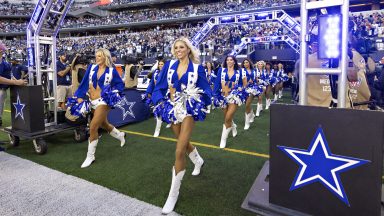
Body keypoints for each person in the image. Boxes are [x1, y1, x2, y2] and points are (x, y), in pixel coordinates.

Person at [151, 37, 212, 214]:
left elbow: (205, 88)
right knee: (182, 143)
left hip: (189, 109)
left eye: (182, 47)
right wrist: (160, 102)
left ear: (188, 49)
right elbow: (158, 88)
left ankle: (173, 194)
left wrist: (203, 100)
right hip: (172, 109)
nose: (178, 50)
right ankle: (198, 160)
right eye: (176, 47)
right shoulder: (169, 66)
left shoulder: (196, 68)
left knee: (178, 150)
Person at [72, 48, 126, 168]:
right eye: (96, 56)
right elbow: (84, 83)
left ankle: (90, 156)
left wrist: (114, 93)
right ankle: (120, 135)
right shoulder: (91, 68)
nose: (97, 58)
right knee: (104, 124)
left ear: (105, 57)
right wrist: (79, 96)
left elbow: (119, 85)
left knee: (93, 126)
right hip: (92, 100)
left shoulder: (112, 71)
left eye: (99, 56)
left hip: (104, 101)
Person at [213, 55, 247, 148]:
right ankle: (233, 126)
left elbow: (243, 84)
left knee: (227, 118)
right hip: (223, 96)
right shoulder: (221, 70)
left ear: (234, 62)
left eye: (231, 60)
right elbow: (217, 83)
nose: (229, 61)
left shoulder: (239, 71)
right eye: (227, 60)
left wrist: (239, 90)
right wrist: (215, 95)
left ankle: (223, 139)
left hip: (234, 96)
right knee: (227, 116)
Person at [0, 42, 27, 126]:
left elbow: (10, 75)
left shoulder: (4, 62)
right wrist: (16, 82)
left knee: (1, 105)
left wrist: (18, 81)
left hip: (3, 89)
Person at [146, 59, 165, 137]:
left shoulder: (168, 73)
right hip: (156, 94)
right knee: (158, 112)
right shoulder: (155, 73)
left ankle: (158, 130)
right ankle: (157, 130)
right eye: (159, 64)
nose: (160, 66)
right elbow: (151, 84)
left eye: (162, 64)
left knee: (167, 110)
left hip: (165, 94)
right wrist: (148, 92)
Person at [241, 58, 258, 130]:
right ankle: (252, 114)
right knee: (247, 105)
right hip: (244, 89)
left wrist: (255, 82)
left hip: (253, 89)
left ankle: (247, 123)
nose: (245, 64)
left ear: (249, 63)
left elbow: (256, 80)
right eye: (244, 63)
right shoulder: (241, 71)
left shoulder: (254, 71)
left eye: (247, 62)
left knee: (247, 104)